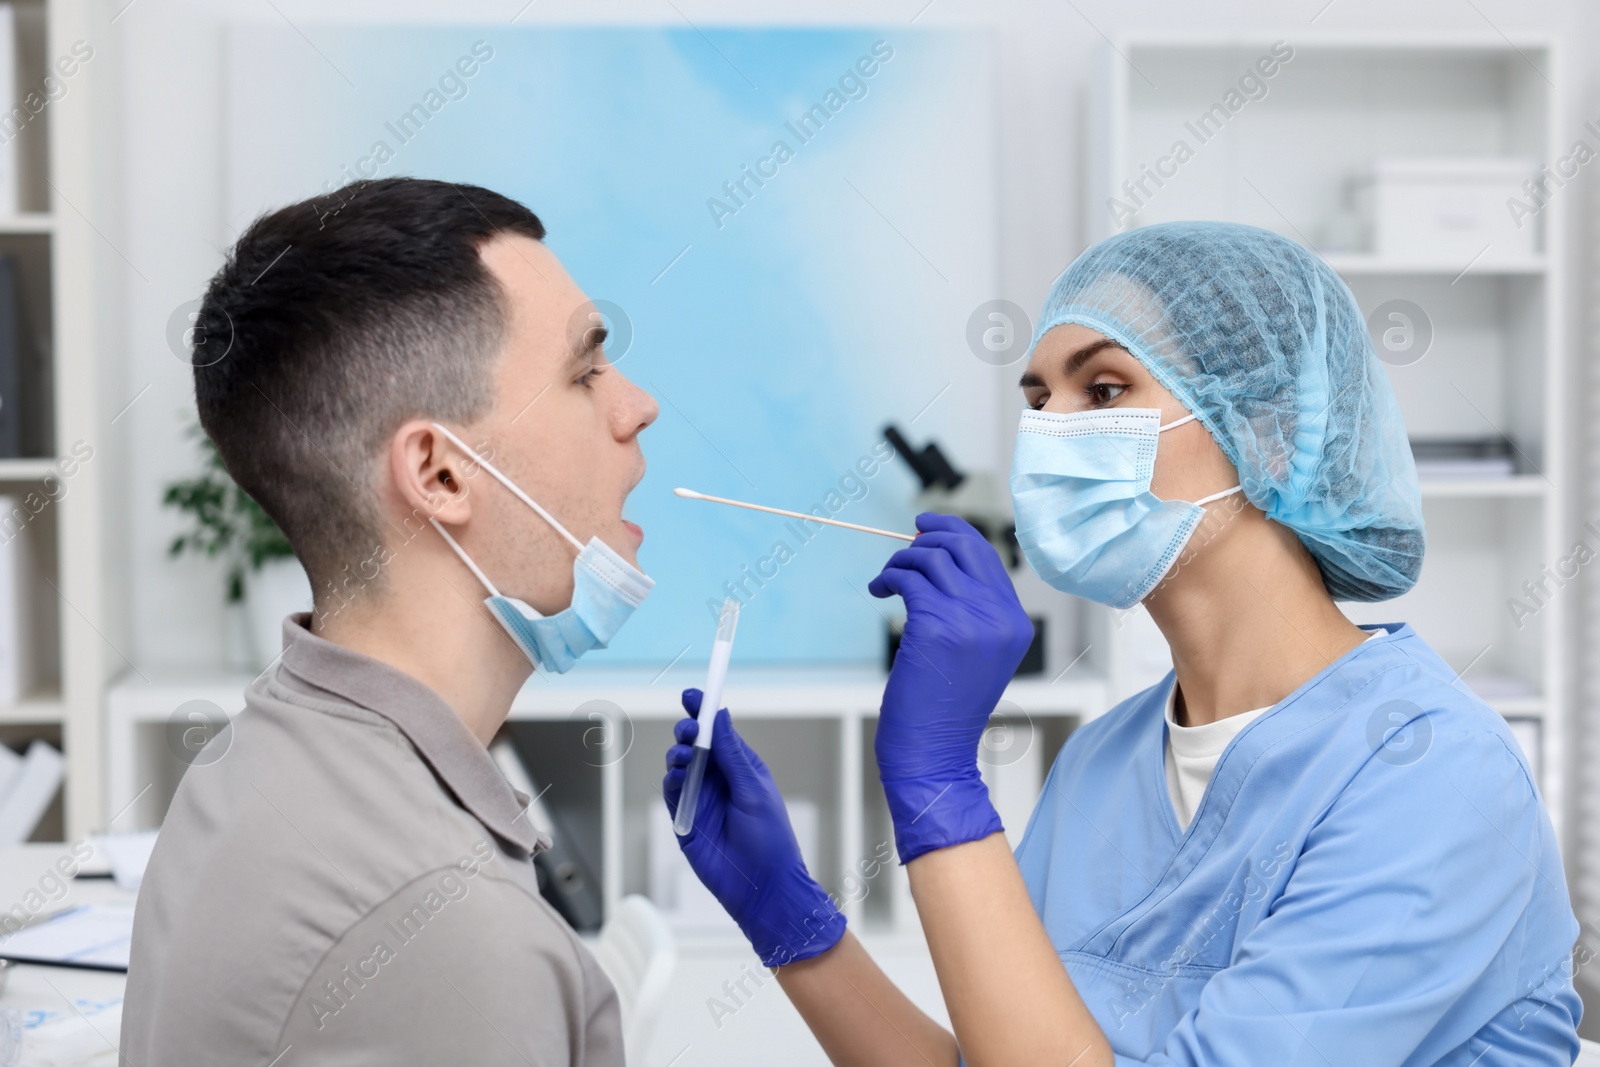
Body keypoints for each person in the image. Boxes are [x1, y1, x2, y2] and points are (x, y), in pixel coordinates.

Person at [664, 221, 1582, 1065]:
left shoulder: (1432, 774)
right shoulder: (1105, 762)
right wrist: (792, 921)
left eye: (1104, 389)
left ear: (1266, 433)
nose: (1047, 433)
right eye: (1038, 397)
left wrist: (939, 782)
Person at [122, 178, 653, 1064]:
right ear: (442, 475)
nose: (635, 404)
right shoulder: (450, 929)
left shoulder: (253, 760)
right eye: (585, 370)